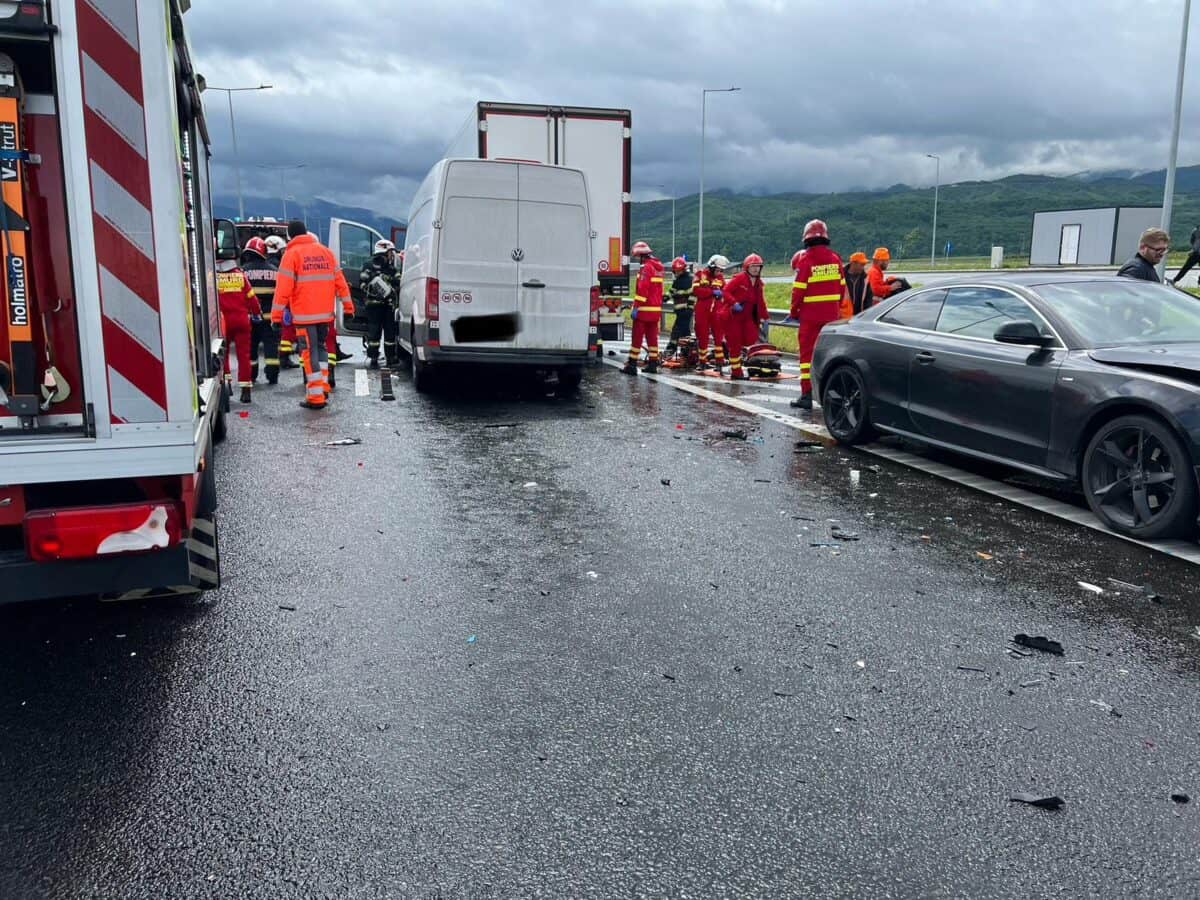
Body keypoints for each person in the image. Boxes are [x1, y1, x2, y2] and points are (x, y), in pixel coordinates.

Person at [271, 220, 353, 410]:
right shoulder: (326, 253)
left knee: (309, 354)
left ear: (290, 236)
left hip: (304, 317)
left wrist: (276, 317)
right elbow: (341, 282)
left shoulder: (291, 255)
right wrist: (349, 308)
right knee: (322, 349)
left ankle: (316, 397)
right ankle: (323, 387)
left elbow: (283, 289)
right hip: (325, 316)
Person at [789, 220, 846, 410]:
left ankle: (806, 395)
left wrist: (794, 312)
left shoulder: (805, 260)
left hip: (810, 318)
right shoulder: (836, 259)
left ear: (807, 239)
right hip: (831, 317)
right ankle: (834, 395)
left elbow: (798, 291)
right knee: (831, 355)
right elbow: (841, 288)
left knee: (807, 357)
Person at [215, 253, 260, 404]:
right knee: (244, 355)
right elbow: (252, 297)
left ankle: (227, 385)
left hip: (223, 322)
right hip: (242, 320)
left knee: (224, 354)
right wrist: (256, 313)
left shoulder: (214, 279)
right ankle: (246, 391)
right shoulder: (240, 276)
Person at [240, 237, 281, 384]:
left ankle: (251, 375)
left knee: (251, 346)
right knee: (271, 346)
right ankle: (272, 375)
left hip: (250, 317)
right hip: (269, 318)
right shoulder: (275, 271)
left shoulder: (242, 272)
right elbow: (280, 295)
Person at [622, 241, 665, 375]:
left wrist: (636, 307)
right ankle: (653, 364)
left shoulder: (646, 268)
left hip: (644, 311)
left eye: (637, 256)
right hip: (655, 311)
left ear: (641, 256)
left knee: (637, 338)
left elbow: (642, 289)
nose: (636, 259)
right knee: (653, 339)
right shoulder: (659, 268)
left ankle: (632, 365)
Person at [723, 253, 768, 380]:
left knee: (751, 338)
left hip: (747, 317)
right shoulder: (739, 279)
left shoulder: (759, 283)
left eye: (758, 266)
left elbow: (761, 302)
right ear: (747, 267)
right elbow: (725, 291)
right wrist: (734, 303)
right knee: (735, 345)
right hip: (733, 317)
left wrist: (765, 317)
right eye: (753, 266)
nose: (755, 269)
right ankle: (736, 372)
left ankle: (728, 347)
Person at [359, 239, 402, 368]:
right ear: (384, 251)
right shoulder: (369, 266)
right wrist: (374, 288)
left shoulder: (391, 267)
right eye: (390, 252)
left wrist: (390, 288)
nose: (391, 255)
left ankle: (387, 358)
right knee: (376, 333)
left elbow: (399, 282)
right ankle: (375, 358)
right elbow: (362, 283)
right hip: (376, 305)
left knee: (386, 333)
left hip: (385, 305)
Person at [265, 235, 299, 369]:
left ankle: (284, 356)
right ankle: (284, 358)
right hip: (284, 303)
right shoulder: (278, 265)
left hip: (270, 306)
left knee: (286, 332)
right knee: (288, 331)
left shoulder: (268, 264)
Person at [692, 255, 727, 372]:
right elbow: (696, 291)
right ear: (711, 267)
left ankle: (719, 362)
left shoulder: (720, 278)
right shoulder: (700, 275)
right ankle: (702, 362)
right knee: (703, 336)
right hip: (703, 311)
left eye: (721, 270)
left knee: (718, 337)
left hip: (717, 311)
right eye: (717, 270)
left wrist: (722, 293)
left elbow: (725, 290)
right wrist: (712, 292)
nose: (719, 272)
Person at [663, 257, 694, 359]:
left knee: (677, 331)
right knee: (685, 332)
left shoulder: (687, 280)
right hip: (682, 311)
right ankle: (687, 352)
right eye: (676, 271)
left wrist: (689, 308)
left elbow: (692, 295)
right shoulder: (680, 280)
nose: (677, 272)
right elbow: (672, 291)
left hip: (684, 311)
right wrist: (664, 297)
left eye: (678, 271)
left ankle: (672, 350)